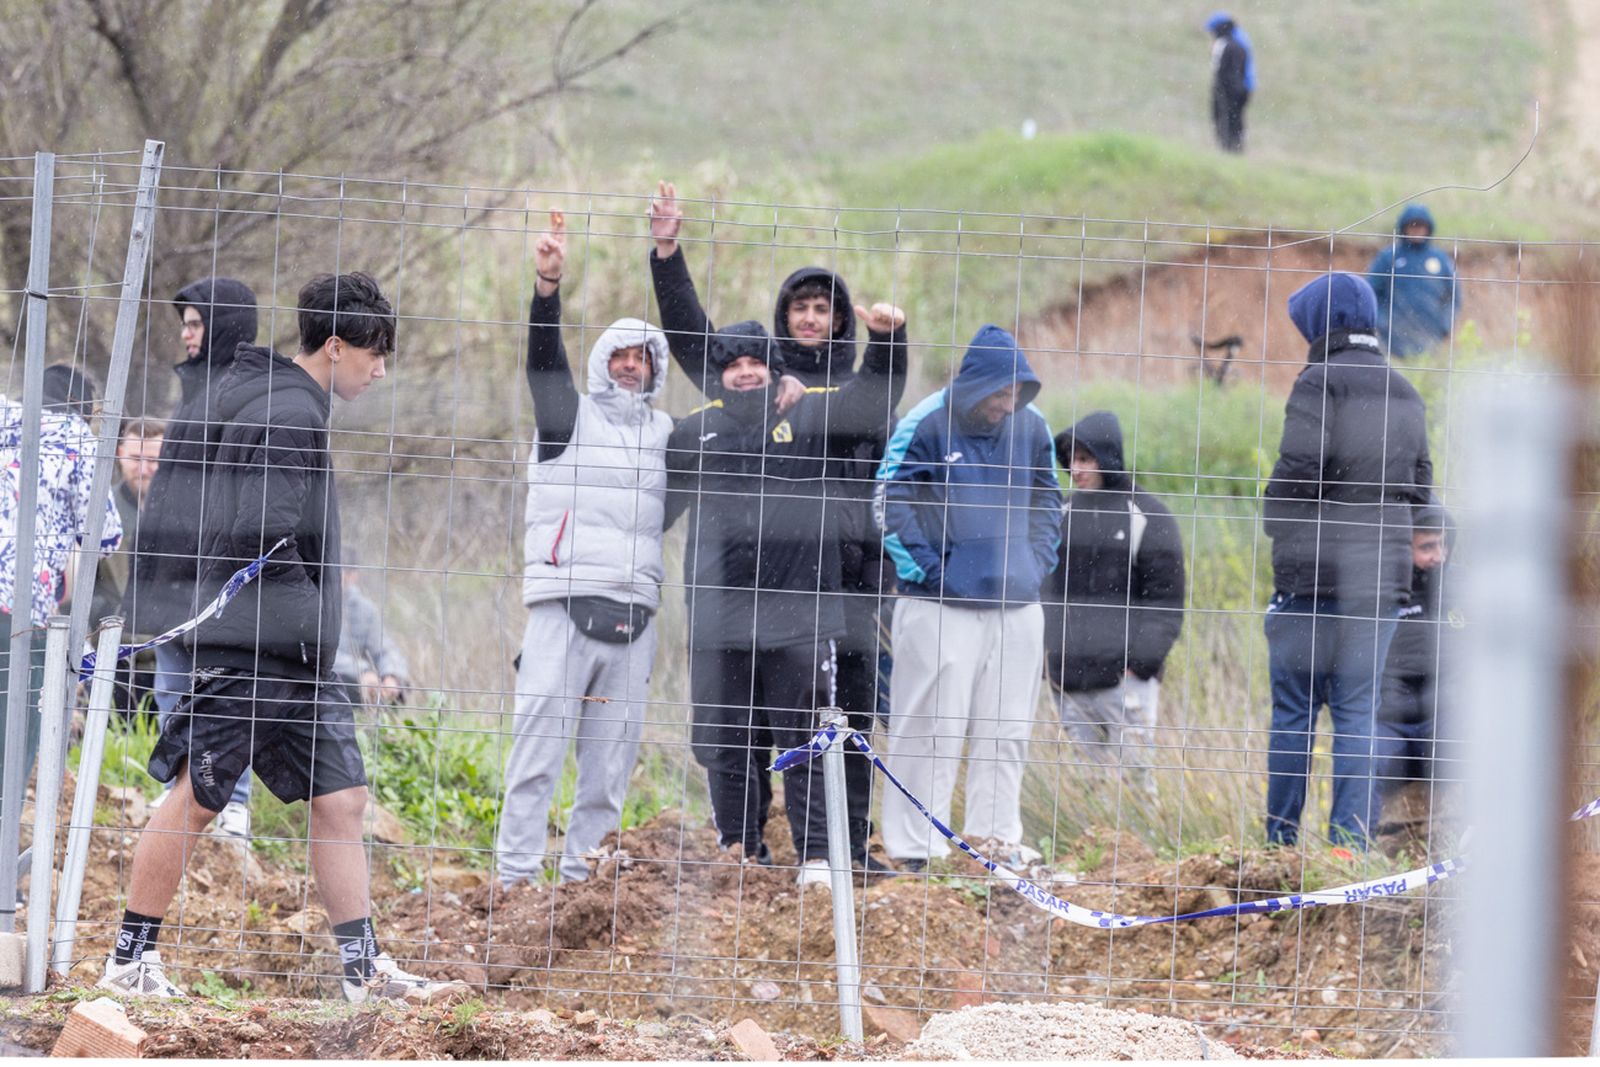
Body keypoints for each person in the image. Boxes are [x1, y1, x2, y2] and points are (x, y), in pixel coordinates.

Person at [100, 272, 463, 1004]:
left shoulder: (282, 395)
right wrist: (303, 620)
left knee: (344, 796)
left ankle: (364, 972)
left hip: (296, 656)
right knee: (196, 797)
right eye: (376, 354)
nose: (381, 368)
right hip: (258, 648)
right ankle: (129, 961)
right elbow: (262, 534)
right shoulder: (290, 411)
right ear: (336, 346)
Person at [649, 180, 907, 875]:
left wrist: (889, 340)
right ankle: (749, 849)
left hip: (848, 584)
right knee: (743, 729)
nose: (812, 319)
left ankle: (844, 851)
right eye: (800, 307)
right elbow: (694, 339)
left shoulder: (843, 396)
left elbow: (877, 400)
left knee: (842, 727)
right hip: (754, 593)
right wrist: (668, 253)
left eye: (825, 309)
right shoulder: (751, 394)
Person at [496, 210, 674, 888]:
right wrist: (548, 286)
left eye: (644, 358)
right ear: (604, 364)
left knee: (608, 769)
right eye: (621, 356)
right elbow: (544, 360)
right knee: (537, 755)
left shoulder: (667, 436)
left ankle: (583, 889)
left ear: (655, 369)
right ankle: (513, 884)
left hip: (634, 619)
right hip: (562, 610)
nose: (632, 366)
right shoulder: (567, 418)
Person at [875, 324, 1061, 873]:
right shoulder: (926, 420)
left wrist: (1034, 566)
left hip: (1017, 606)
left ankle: (995, 844)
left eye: (1016, 395)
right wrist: (933, 574)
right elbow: (890, 500)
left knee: (1006, 733)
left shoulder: (1032, 425)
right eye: (1000, 394)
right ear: (975, 384)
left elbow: (1048, 498)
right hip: (937, 606)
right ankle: (915, 849)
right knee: (929, 729)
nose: (1007, 405)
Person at [1263, 272, 1433, 848]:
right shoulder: (1407, 393)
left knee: (1294, 713)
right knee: (1357, 716)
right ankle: (1347, 848)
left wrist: (1277, 530)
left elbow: (1296, 473)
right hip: (1379, 587)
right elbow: (1421, 495)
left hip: (1312, 581)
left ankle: (1280, 846)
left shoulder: (1318, 382)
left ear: (1323, 323)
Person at [127, 277, 259, 837]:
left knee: (226, 701)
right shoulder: (193, 396)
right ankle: (175, 798)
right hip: (177, 587)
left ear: (226, 323)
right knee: (173, 694)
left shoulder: (246, 398)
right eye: (184, 322)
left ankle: (231, 806)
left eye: (198, 322)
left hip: (221, 590)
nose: (187, 333)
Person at [1043, 410, 1185, 799]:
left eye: (1086, 458)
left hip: (1126, 683)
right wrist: (1052, 664)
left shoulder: (1149, 517)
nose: (1076, 469)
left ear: (1109, 457)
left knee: (1137, 789)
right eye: (1071, 460)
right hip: (1069, 682)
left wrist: (1138, 666)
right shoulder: (1061, 516)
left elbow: (1167, 604)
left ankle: (1144, 858)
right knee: (1085, 793)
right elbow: (1044, 596)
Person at [0, 364, 123, 792]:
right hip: (18, 608)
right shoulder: (77, 438)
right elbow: (105, 536)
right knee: (14, 732)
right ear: (87, 409)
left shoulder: (6, 420)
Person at [1374, 499, 1459, 815]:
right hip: (1388, 722)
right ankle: (1355, 851)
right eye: (1427, 547)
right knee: (1362, 759)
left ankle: (1477, 841)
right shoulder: (1375, 594)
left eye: (1444, 544)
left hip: (1443, 718)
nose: (1440, 556)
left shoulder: (1465, 588)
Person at [100, 418, 166, 712]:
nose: (144, 469)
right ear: (119, 455)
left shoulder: (190, 512)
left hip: (172, 653)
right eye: (136, 458)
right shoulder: (103, 511)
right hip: (115, 656)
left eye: (154, 460)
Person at [1366, 204, 1461, 358]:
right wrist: (1383, 322)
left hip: (1430, 338)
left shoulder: (1440, 259)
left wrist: (1445, 324)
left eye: (1421, 226)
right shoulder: (1389, 257)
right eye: (1413, 225)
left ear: (1428, 228)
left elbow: (1453, 296)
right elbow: (1371, 292)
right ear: (1404, 227)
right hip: (1392, 340)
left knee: (1426, 378)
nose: (1417, 230)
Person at [333, 560, 410, 708]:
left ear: (354, 576)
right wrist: (362, 671)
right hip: (329, 685)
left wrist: (391, 675)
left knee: (396, 693)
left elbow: (384, 648)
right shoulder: (313, 604)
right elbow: (317, 654)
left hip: (360, 688)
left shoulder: (364, 609)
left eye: (345, 572)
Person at [1206, 12, 1254, 153]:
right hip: (1241, 90)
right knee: (1236, 120)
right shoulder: (1241, 44)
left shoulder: (1224, 45)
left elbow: (1220, 71)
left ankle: (1228, 149)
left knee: (1225, 119)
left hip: (1227, 91)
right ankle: (1236, 149)